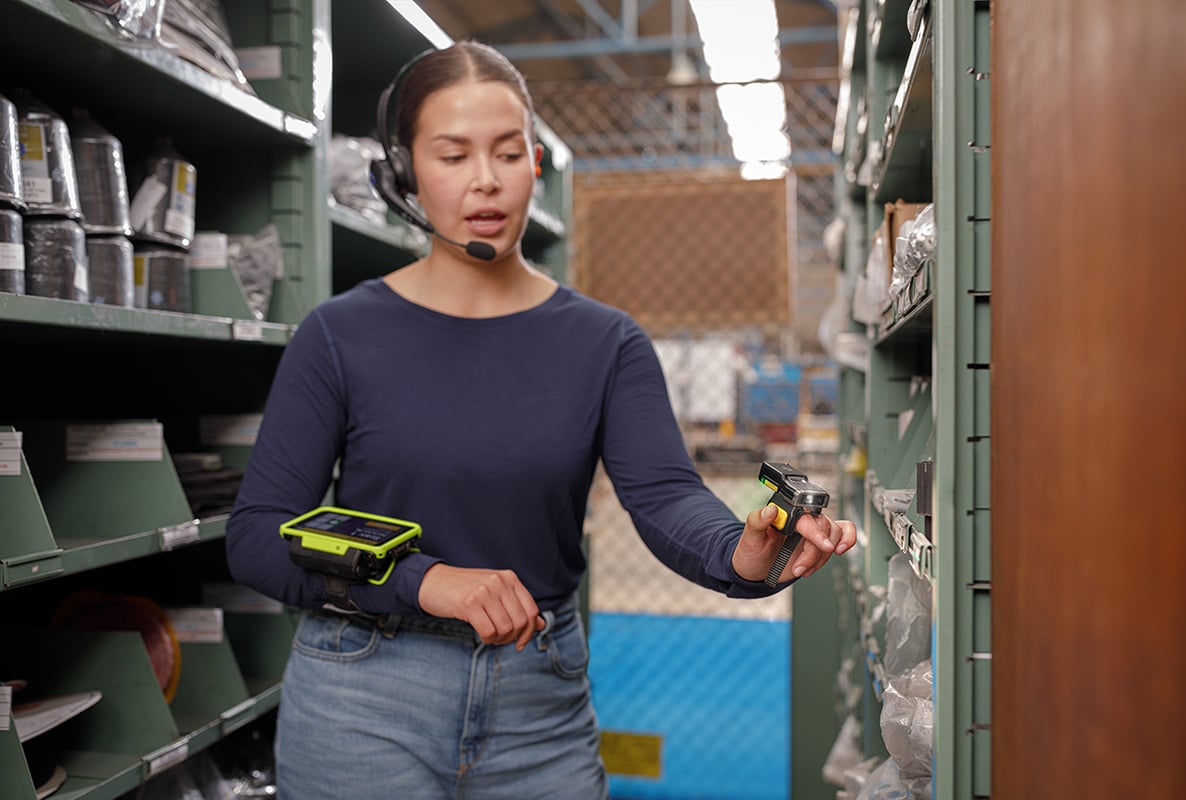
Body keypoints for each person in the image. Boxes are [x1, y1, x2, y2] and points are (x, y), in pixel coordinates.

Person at [225, 39, 856, 800]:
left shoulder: (604, 341)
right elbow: (260, 533)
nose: (485, 180)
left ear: (534, 164)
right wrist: (423, 581)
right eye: (453, 155)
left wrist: (741, 553)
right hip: (364, 690)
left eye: (507, 151)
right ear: (404, 176)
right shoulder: (338, 336)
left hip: (539, 699)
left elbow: (661, 495)